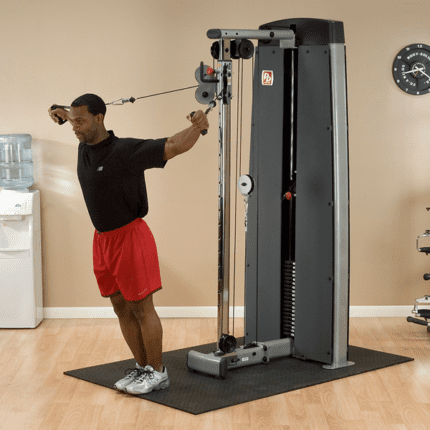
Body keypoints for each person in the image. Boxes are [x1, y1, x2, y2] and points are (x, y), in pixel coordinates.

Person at [48, 94, 209, 395]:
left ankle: (159, 372)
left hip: (130, 237)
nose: (75, 127)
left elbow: (173, 146)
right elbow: (60, 113)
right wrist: (59, 113)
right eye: (73, 121)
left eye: (81, 121)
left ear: (99, 118)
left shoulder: (125, 151)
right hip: (102, 240)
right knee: (120, 307)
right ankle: (142, 368)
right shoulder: (84, 146)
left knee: (141, 307)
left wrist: (197, 128)